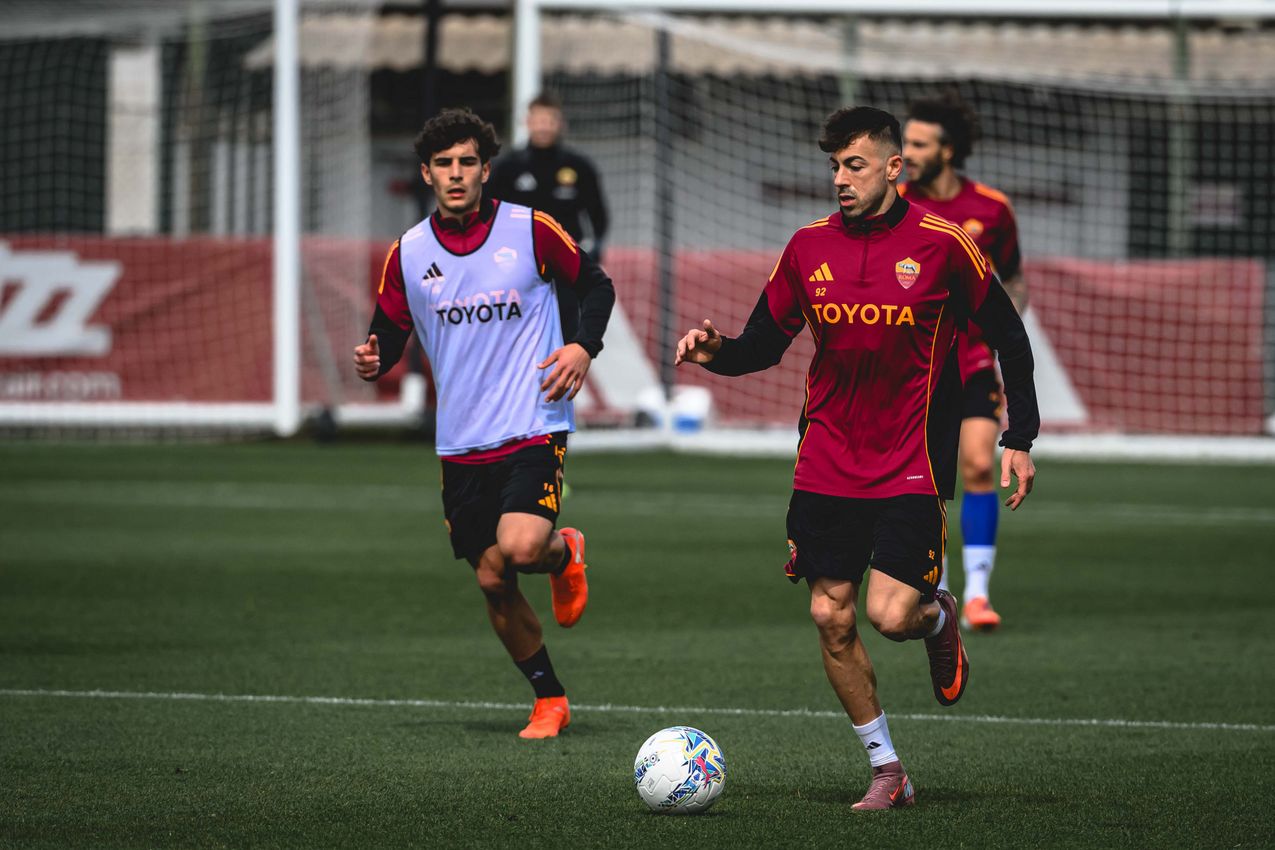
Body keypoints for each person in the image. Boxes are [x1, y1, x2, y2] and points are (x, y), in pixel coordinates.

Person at [674, 106, 1037, 810]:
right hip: (825, 458)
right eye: (834, 166)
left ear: (894, 167)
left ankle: (937, 618)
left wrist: (1017, 434)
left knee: (890, 616)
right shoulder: (806, 247)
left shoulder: (943, 244)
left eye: (855, 165)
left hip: (908, 457)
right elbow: (760, 347)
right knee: (828, 615)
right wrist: (715, 351)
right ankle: (886, 769)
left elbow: (1008, 336)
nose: (839, 178)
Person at [354, 108, 615, 739]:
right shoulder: (408, 254)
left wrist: (582, 348)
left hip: (533, 420)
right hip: (460, 439)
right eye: (443, 164)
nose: (455, 174)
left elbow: (596, 286)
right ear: (426, 173)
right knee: (494, 578)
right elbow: (388, 331)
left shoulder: (530, 229)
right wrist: (374, 356)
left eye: (467, 162)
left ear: (485, 169)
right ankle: (549, 698)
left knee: (522, 547)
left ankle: (558, 552)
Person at [901, 91, 1026, 632]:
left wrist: (1002, 332)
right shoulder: (897, 203)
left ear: (947, 151)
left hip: (973, 359)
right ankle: (940, 589)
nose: (905, 152)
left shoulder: (992, 209)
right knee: (926, 479)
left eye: (917, 143)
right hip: (915, 368)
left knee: (978, 464)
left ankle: (977, 593)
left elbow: (1014, 280)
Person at [488, 92, 610, 261]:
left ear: (561, 124)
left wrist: (593, 251)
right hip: (518, 259)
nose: (544, 127)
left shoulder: (580, 166)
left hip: (565, 260)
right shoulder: (507, 167)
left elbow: (598, 216)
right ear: (528, 122)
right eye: (539, 121)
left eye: (550, 121)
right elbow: (489, 211)